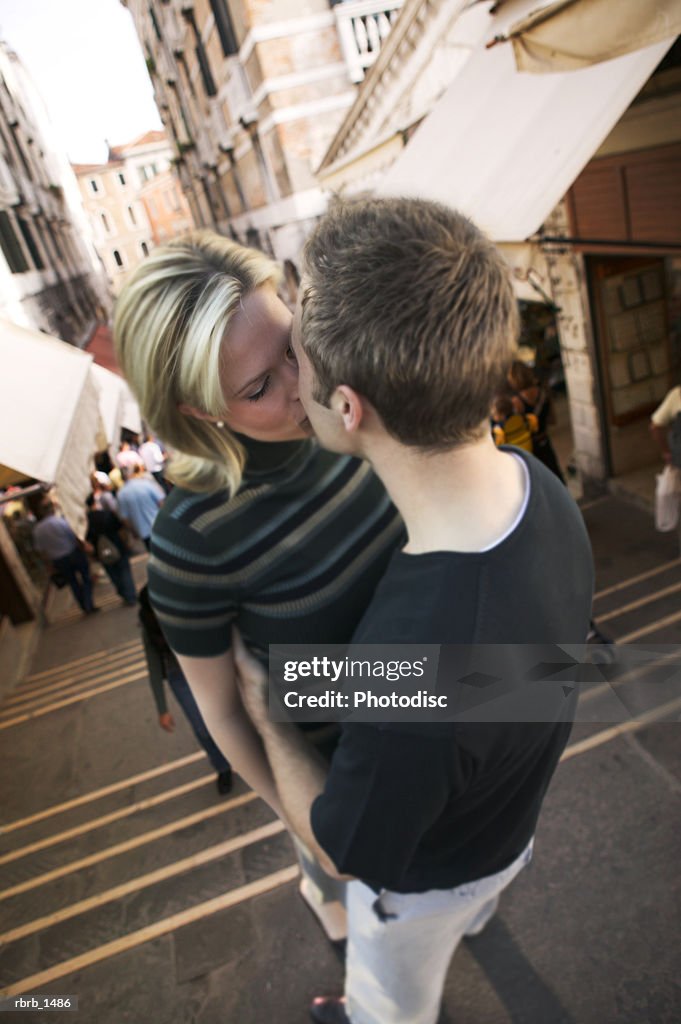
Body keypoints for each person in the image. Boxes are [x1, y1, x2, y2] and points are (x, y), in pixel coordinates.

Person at [231, 197, 595, 1024]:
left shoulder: (413, 669)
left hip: (426, 884)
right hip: (507, 831)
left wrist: (269, 710)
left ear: (350, 408)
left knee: (389, 1003)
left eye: (298, 359)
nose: (291, 383)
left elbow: (344, 851)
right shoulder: (540, 490)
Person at [113, 230, 403, 939]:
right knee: (394, 977)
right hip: (359, 792)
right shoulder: (194, 541)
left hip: (459, 721)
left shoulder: (358, 398)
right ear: (197, 412)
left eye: (291, 346)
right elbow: (232, 715)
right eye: (258, 387)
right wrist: (313, 835)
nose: (303, 383)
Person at [138, 585, 233, 794]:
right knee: (202, 728)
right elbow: (154, 666)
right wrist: (162, 709)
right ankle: (223, 766)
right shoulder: (150, 629)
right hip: (179, 677)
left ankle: (248, 754)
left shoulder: (187, 611)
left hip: (208, 666)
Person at [33, 498, 99, 615]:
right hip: (73, 553)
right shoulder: (61, 522)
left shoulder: (38, 530)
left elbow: (41, 550)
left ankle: (84, 605)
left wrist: (49, 565)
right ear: (52, 509)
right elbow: (75, 537)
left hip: (58, 559)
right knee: (86, 578)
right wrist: (85, 549)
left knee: (73, 582)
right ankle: (88, 603)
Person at [507, 359, 565, 482]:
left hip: (529, 448)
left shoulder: (517, 402)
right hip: (545, 443)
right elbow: (552, 420)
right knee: (555, 479)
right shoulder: (544, 393)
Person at [85, 495, 137, 605]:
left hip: (101, 552)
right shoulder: (107, 514)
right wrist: (127, 542)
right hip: (117, 545)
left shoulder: (86, 522)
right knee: (124, 570)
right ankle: (131, 595)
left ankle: (123, 593)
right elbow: (121, 528)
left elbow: (87, 540)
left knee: (113, 573)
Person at [116, 462, 165, 550]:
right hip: (160, 525)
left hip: (143, 532)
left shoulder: (121, 494)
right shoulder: (145, 484)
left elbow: (124, 518)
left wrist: (133, 531)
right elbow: (161, 502)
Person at [650, 382, 681, 465]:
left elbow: (655, 427)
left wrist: (666, 452)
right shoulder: (676, 395)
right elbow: (655, 427)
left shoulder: (676, 394)